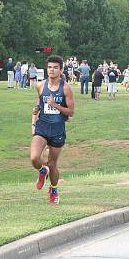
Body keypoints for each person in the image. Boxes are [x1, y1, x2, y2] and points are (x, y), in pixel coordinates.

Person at [31, 55, 75, 205]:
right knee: (34, 158)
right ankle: (42, 171)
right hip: (42, 126)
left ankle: (54, 189)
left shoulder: (66, 88)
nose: (52, 70)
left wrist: (55, 105)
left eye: (55, 67)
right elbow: (38, 104)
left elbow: (71, 112)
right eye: (49, 67)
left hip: (57, 129)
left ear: (61, 70)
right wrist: (33, 121)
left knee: (52, 163)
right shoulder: (40, 86)